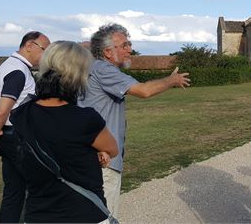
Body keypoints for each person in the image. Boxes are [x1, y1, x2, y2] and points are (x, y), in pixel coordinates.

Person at [79, 23, 191, 216]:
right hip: (103, 161)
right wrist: (171, 80)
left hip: (90, 155)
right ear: (107, 51)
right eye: (124, 45)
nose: (130, 49)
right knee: (104, 217)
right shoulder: (105, 70)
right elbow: (144, 90)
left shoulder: (90, 67)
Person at [8, 41, 118, 223]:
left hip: (39, 215)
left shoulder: (21, 115)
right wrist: (98, 150)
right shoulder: (85, 119)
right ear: (79, 75)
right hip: (85, 214)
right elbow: (112, 148)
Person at [0, 31, 50, 223]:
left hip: (9, 137)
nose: (47, 55)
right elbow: (1, 110)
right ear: (29, 46)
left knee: (14, 191)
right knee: (40, 188)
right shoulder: (18, 71)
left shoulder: (8, 66)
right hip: (17, 138)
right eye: (45, 49)